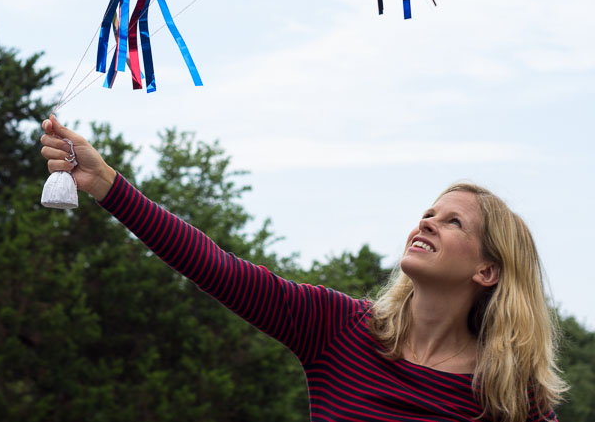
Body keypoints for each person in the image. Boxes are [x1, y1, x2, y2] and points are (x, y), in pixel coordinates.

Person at [41, 115, 566, 422]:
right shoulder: (339, 329)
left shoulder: (510, 396)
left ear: (488, 272)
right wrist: (109, 185)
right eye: (428, 212)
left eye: (453, 222)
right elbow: (218, 269)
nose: (426, 223)